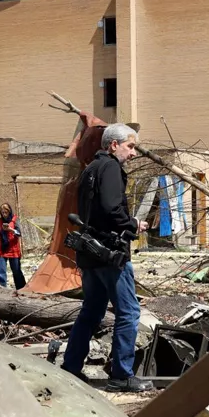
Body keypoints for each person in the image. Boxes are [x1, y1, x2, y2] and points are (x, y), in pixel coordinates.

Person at [61, 124, 152, 393]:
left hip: (90, 252)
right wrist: (133, 224)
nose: (133, 153)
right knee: (129, 312)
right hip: (110, 254)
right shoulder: (110, 167)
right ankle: (121, 376)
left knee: (91, 311)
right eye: (130, 146)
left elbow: (95, 210)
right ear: (114, 145)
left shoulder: (90, 168)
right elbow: (112, 209)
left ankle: (71, 367)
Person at [0, 202, 26, 290]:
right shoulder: (0, 221)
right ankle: (1, 288)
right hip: (2, 248)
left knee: (16, 271)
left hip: (13, 248)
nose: (4, 214)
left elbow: (19, 233)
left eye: (6, 212)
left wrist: (10, 229)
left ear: (9, 211)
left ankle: (21, 289)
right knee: (0, 270)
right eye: (2, 212)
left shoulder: (15, 220)